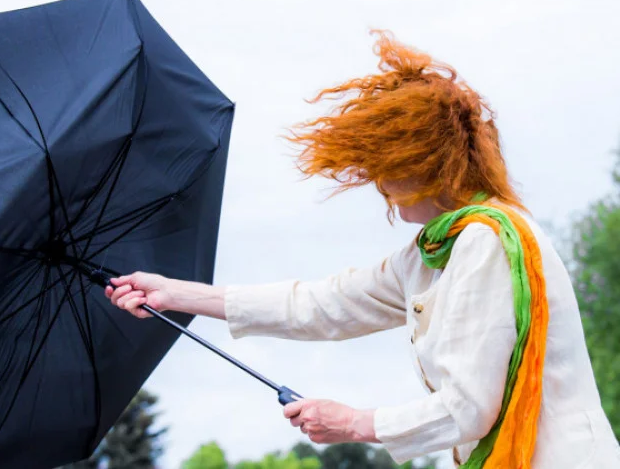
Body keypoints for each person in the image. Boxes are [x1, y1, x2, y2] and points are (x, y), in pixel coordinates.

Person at [104, 31, 620, 468]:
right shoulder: (435, 251)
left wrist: (354, 423)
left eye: (382, 164)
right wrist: (174, 293)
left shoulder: (486, 242)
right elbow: (319, 303)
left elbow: (468, 409)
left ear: (422, 161)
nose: (378, 183)